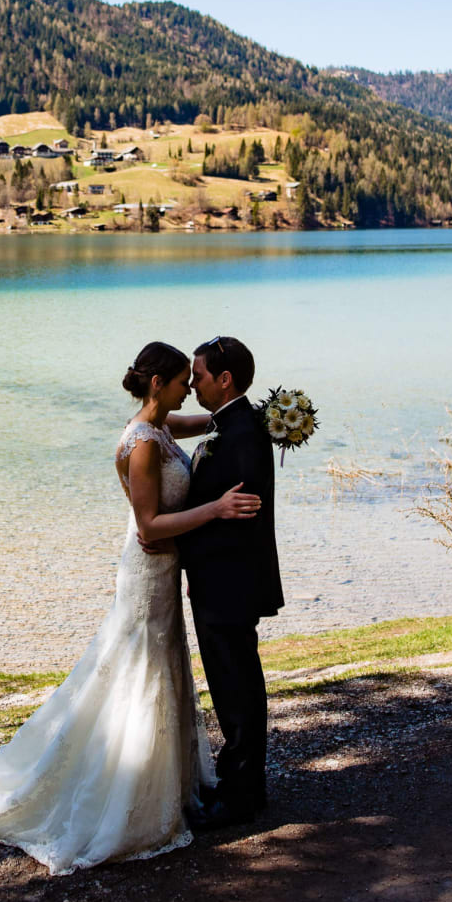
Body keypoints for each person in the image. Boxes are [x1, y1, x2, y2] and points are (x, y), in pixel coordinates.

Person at [0, 341, 261, 874]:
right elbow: (150, 527)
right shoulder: (142, 443)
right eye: (183, 381)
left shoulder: (160, 427)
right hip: (149, 570)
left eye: (194, 380)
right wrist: (216, 508)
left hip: (163, 571)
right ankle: (124, 793)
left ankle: (162, 782)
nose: (188, 389)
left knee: (161, 668)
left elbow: (206, 421)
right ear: (159, 385)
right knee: (136, 670)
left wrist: (251, 415)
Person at [173, 335, 282, 829]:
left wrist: (195, 561)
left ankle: (242, 795)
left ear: (225, 379)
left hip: (229, 581)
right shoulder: (231, 423)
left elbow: (238, 516)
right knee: (232, 683)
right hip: (220, 578)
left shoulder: (242, 434)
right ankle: (240, 782)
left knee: (236, 687)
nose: (192, 385)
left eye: (197, 376)